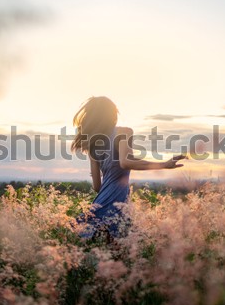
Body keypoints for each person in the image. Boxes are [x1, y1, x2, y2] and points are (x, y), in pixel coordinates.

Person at [71, 96, 186, 240]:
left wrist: (108, 174)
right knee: (125, 249)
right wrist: (163, 164)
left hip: (99, 203)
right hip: (116, 202)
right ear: (112, 114)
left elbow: (96, 186)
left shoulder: (92, 144)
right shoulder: (123, 132)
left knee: (100, 252)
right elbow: (125, 162)